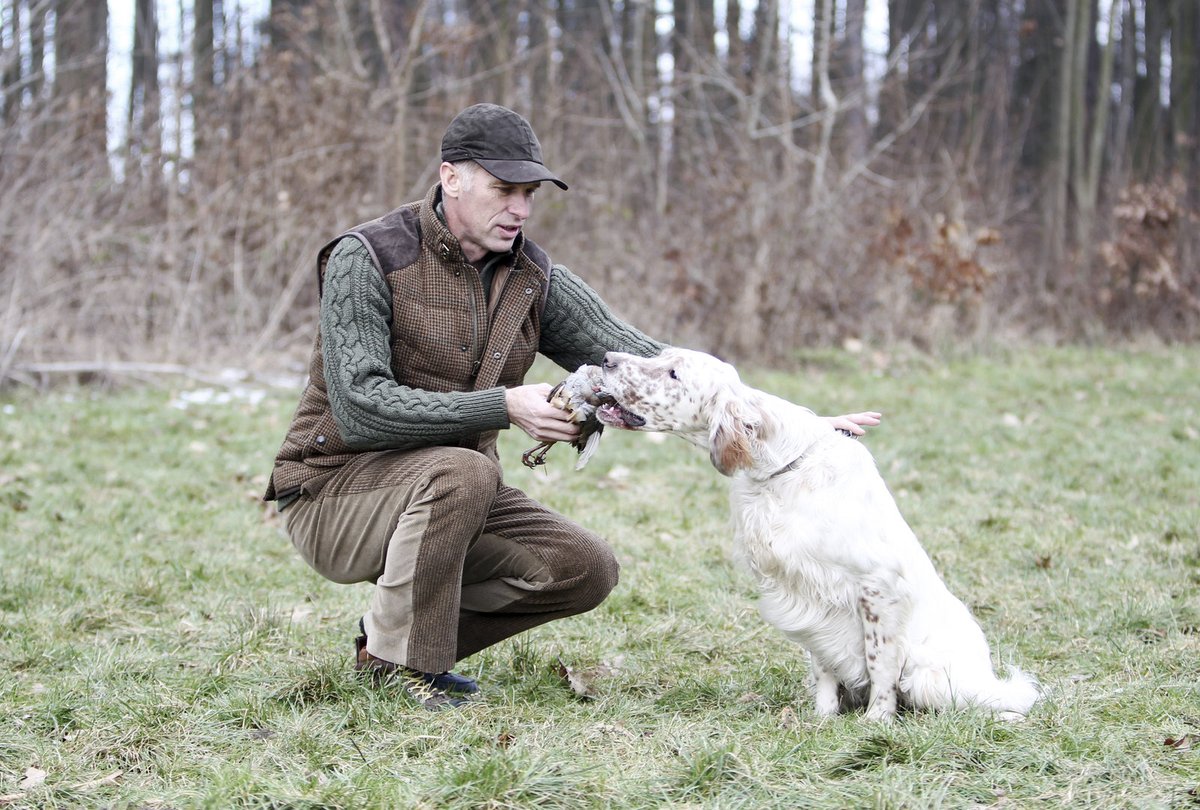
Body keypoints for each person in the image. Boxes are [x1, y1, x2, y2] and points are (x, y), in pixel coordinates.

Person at [264, 103, 878, 711]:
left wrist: (792, 423)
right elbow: (361, 408)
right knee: (463, 469)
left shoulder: (531, 276)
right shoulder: (366, 256)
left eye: (529, 193)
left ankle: (388, 653)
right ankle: (405, 671)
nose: (521, 210)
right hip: (332, 494)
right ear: (451, 177)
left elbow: (652, 362)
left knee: (582, 567)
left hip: (449, 497)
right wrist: (506, 405)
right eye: (505, 190)